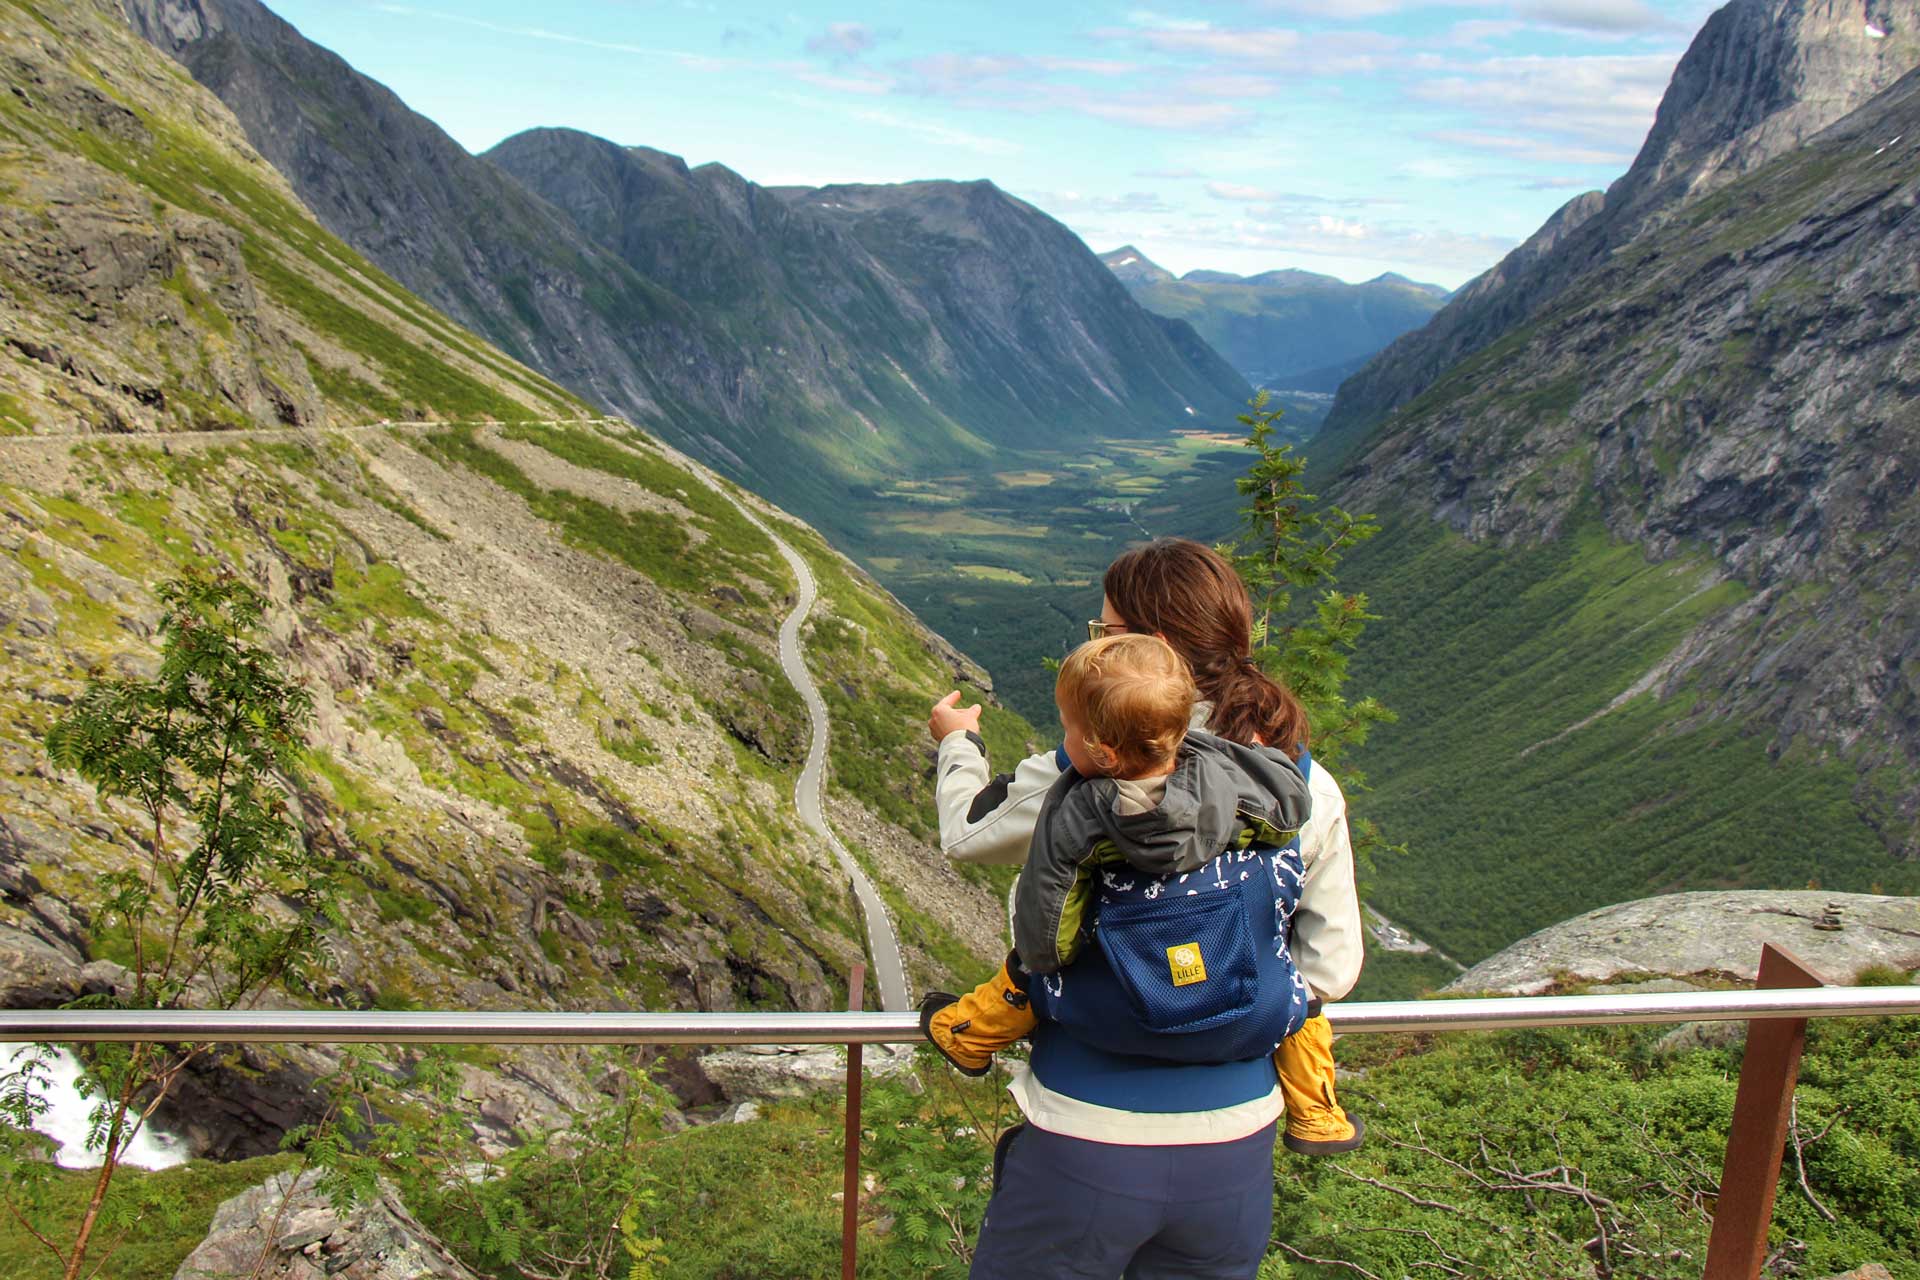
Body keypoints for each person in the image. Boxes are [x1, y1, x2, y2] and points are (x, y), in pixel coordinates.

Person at [928, 538, 1365, 1279]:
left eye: (1103, 633)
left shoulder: (1085, 774)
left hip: (1084, 1134)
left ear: (1151, 644)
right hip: (1236, 1147)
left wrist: (959, 744)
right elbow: (1330, 965)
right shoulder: (1299, 781)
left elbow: (967, 832)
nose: (1093, 642)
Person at [919, 633, 1312, 1082]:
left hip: (1128, 1006)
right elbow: (1287, 815)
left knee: (1027, 966)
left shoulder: (1076, 816)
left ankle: (968, 1035)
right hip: (1242, 991)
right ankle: (1316, 1106)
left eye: (1068, 729)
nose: (1063, 738)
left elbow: (1049, 937)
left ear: (1102, 751)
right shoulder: (1229, 774)